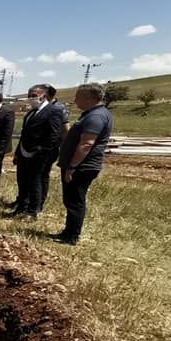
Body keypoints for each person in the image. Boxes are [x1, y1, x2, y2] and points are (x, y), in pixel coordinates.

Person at [50, 83, 113, 245]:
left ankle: (71, 236)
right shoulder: (91, 114)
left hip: (82, 167)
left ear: (89, 97)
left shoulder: (96, 116)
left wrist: (72, 166)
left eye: (78, 96)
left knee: (75, 201)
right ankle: (68, 231)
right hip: (79, 165)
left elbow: (87, 143)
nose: (75, 99)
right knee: (71, 200)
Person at [9, 84, 63, 218]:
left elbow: (55, 135)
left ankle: (33, 210)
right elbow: (24, 134)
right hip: (24, 152)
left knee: (35, 182)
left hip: (39, 154)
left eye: (34, 95)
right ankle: (21, 206)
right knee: (22, 180)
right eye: (29, 96)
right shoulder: (32, 112)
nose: (31, 98)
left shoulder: (53, 111)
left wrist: (42, 150)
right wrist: (18, 152)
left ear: (43, 96)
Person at [37, 85, 69, 212]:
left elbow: (65, 129)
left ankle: (39, 203)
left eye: (39, 94)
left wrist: (61, 148)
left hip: (48, 148)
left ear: (47, 95)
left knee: (42, 175)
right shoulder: (41, 107)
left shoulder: (58, 108)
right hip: (36, 147)